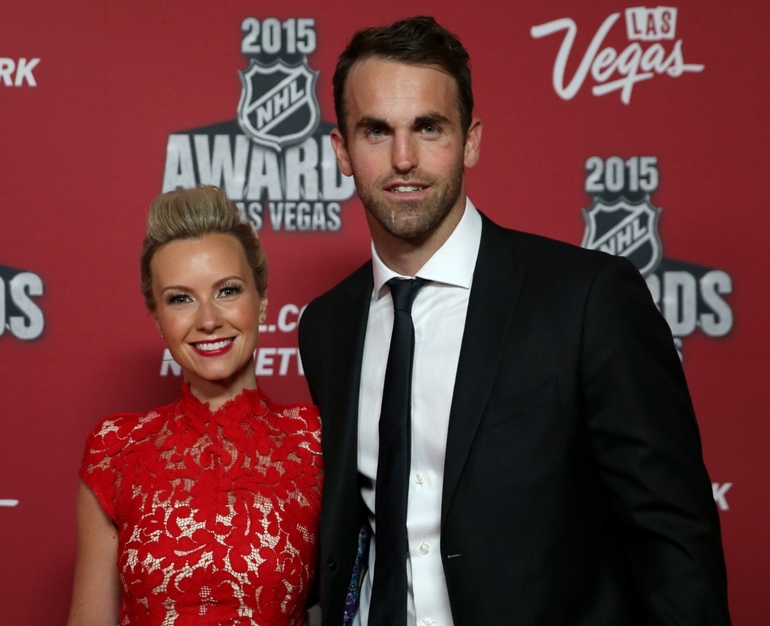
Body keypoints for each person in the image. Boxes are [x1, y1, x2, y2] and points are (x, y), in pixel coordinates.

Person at [297, 16, 730, 626]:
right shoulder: (327, 326)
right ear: (342, 150)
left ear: (470, 140)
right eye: (375, 131)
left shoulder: (587, 300)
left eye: (428, 127)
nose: (403, 158)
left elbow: (673, 542)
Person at [68, 186, 322, 625]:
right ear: (158, 317)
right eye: (180, 298)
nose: (207, 319)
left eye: (227, 290)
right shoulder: (115, 449)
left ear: (261, 302)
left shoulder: (316, 439)